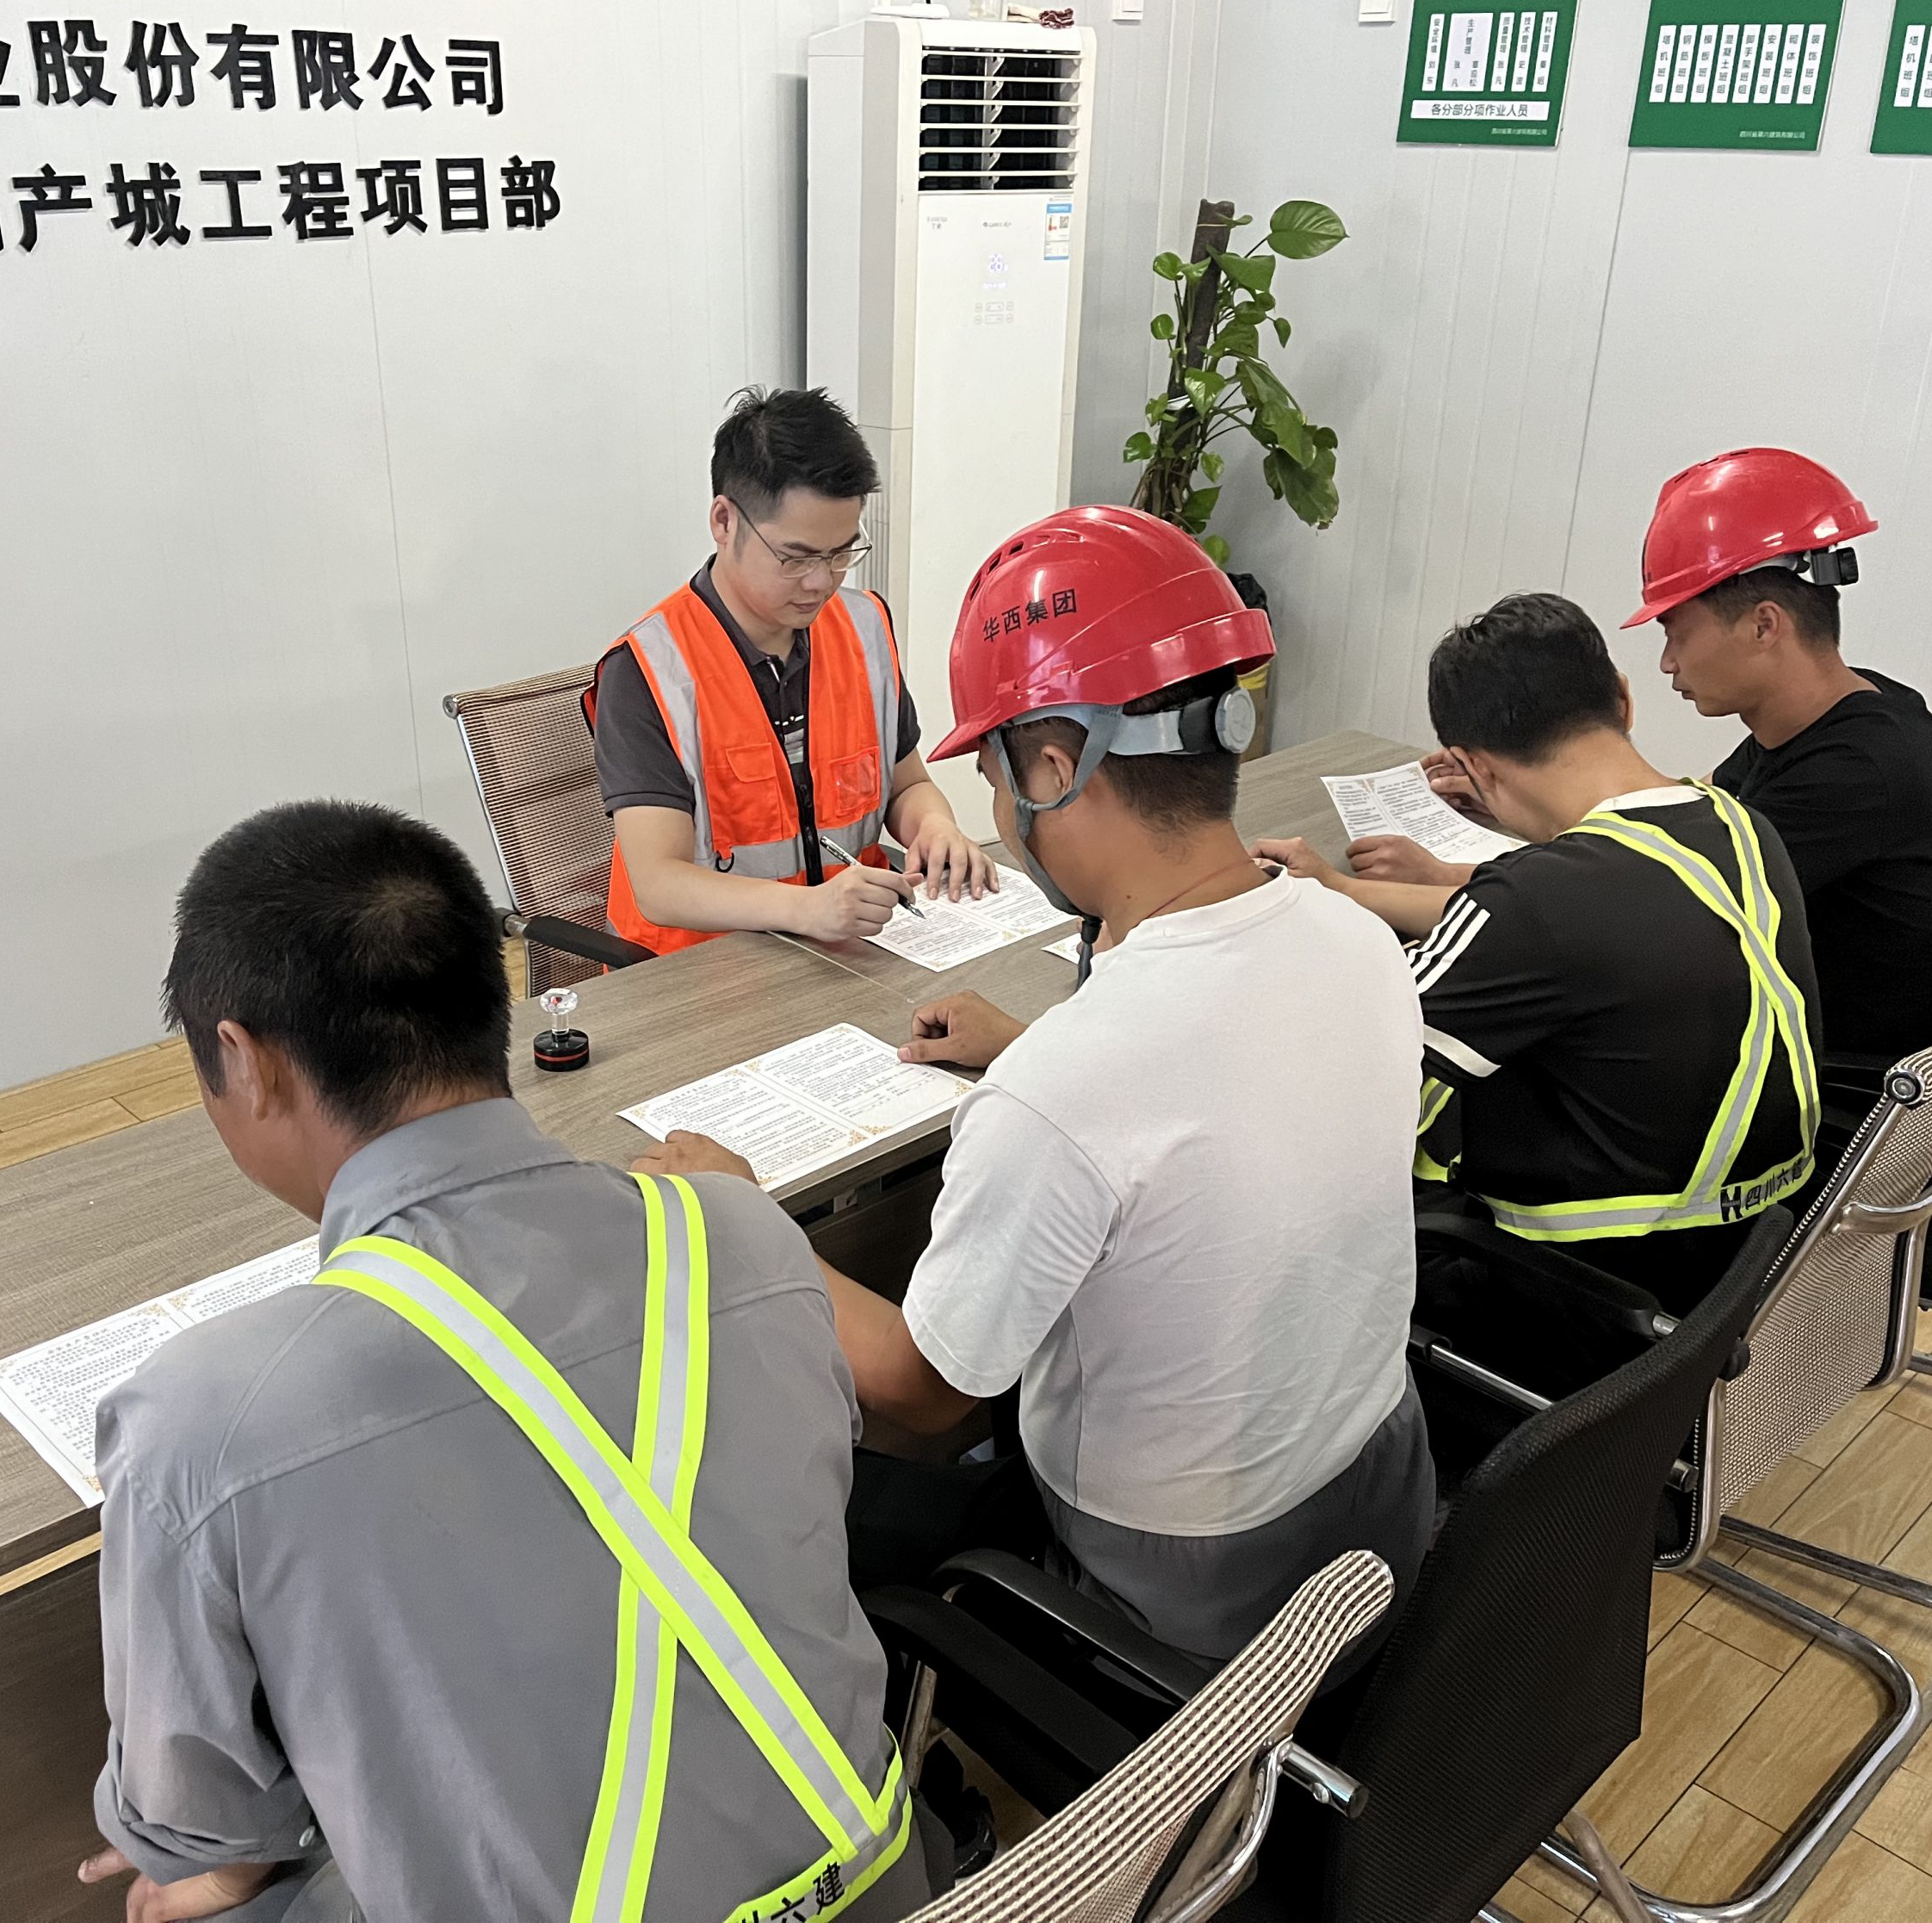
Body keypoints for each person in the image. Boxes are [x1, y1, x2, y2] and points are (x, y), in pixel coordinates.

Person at [77, 802, 932, 1923]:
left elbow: (195, 1821)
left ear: (244, 1059)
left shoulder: (198, 1424)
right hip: (884, 1882)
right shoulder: (745, 1236)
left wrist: (224, 1867)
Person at [642, 506, 1435, 1666]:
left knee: (762, 1485)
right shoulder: (1357, 938)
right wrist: (1028, 1048)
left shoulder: (1067, 1090)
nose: (1005, 821)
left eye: (999, 779)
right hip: (1378, 1505)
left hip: (1181, 1595)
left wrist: (736, 1214)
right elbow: (1207, 1095)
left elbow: (926, 1392)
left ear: (1057, 769)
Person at [1257, 592, 1821, 1311]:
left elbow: (1339, 1064)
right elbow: (1591, 911)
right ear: (1623, 700)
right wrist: (1350, 890)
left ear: (1475, 766)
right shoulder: (1739, 825)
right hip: (1738, 1266)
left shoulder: (1535, 902)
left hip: (1578, 1293)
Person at [1349, 450, 1932, 1071]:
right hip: (1765, 1038)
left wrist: (1365, 890)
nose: (1667, 662)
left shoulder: (1857, 774)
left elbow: (1619, 900)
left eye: (1675, 630)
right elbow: (1665, 825)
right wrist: (1515, 799)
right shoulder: (1845, 717)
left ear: (1764, 626)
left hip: (1819, 1089)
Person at [588, 387, 995, 953]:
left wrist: (934, 827)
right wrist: (809, 908)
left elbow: (907, 785)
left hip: (847, 950)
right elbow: (659, 884)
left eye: (841, 553)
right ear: (724, 521)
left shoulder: (864, 627)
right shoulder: (648, 671)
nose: (821, 581)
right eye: (796, 557)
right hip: (700, 970)